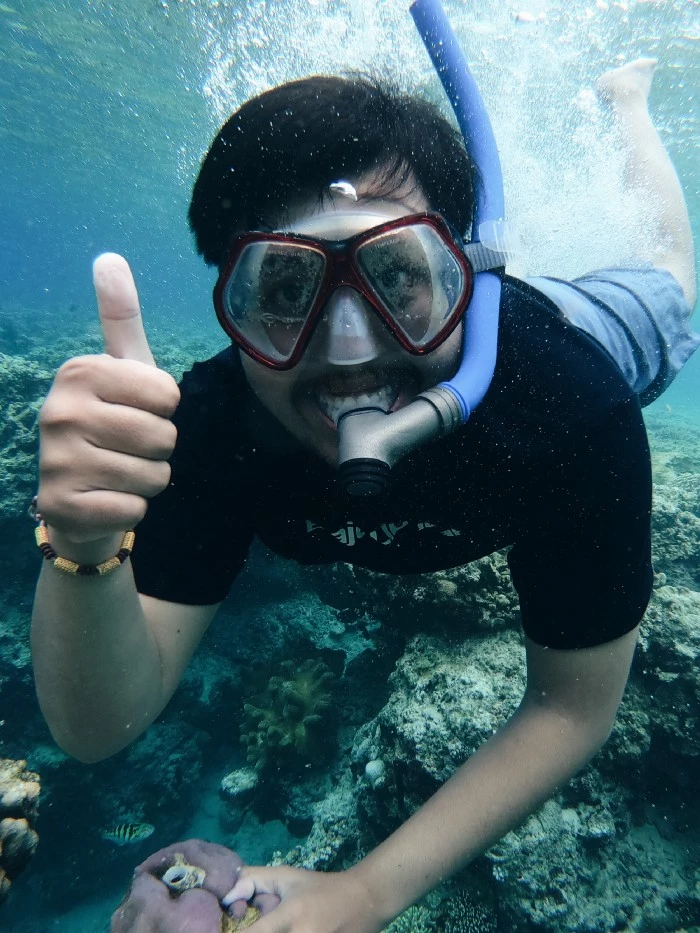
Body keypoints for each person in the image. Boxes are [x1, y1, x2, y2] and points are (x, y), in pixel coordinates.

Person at [31, 47, 696, 933]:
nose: (349, 353)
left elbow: (570, 708)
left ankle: (629, 109)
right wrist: (83, 546)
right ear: (232, 302)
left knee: (673, 273)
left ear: (464, 277)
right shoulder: (205, 428)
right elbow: (98, 726)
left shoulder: (572, 408)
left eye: (399, 276)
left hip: (593, 326)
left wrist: (370, 887)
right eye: (286, 285)